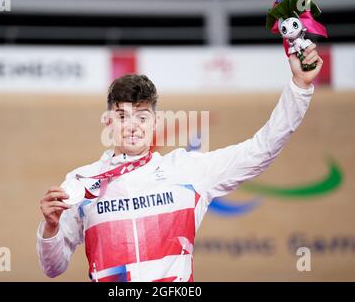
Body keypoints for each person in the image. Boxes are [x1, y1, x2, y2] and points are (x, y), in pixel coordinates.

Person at [37, 44, 323, 282]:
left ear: (156, 123)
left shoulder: (186, 171)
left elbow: (261, 150)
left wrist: (299, 87)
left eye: (142, 116)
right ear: (109, 123)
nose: (132, 126)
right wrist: (50, 228)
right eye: (122, 117)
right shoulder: (81, 183)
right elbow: (53, 268)